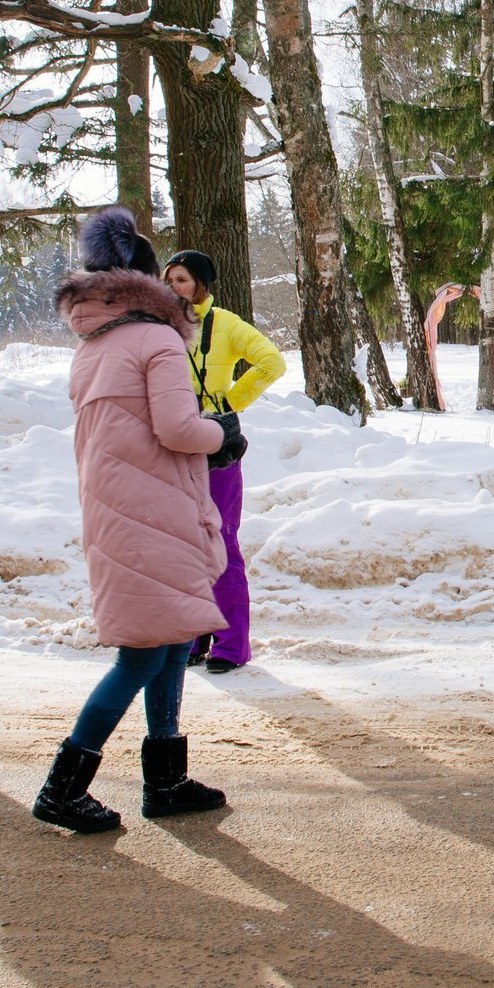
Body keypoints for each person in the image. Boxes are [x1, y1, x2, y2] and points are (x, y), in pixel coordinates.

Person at [32, 207, 245, 835]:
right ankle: (62, 787)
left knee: (174, 641)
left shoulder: (91, 348)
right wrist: (223, 437)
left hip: (120, 507)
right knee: (143, 655)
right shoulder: (156, 339)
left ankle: (167, 780)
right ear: (150, 283)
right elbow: (178, 428)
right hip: (155, 509)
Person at [160, 248, 285, 674]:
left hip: (215, 446)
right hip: (172, 444)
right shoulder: (160, 328)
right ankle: (195, 635)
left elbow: (272, 361)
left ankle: (232, 643)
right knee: (184, 545)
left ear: (202, 285)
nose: (173, 287)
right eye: (169, 279)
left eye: (182, 280)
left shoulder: (227, 325)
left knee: (221, 542)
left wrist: (230, 401)